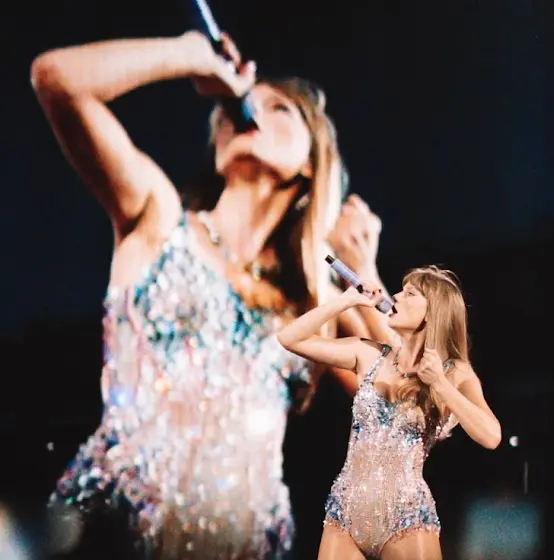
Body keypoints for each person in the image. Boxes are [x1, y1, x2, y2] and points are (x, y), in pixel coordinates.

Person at [31, 29, 389, 559]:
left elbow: (409, 398)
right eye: (239, 103)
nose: (249, 109)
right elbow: (57, 80)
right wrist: (189, 55)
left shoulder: (312, 304)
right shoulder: (159, 218)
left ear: (312, 162)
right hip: (108, 538)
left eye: (279, 109)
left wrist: (365, 271)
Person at [277, 266, 502, 560]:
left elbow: (491, 436)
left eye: (410, 294)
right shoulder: (368, 354)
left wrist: (441, 385)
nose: (395, 296)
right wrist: (346, 301)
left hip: (405, 519)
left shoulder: (455, 372)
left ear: (431, 313)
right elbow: (289, 338)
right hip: (345, 513)